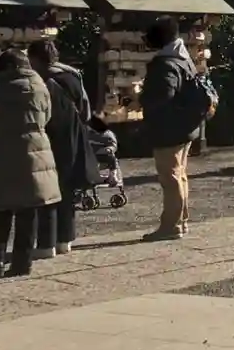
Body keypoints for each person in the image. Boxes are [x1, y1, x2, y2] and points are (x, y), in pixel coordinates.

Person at [0, 50, 60, 278]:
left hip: (2, 153)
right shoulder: (40, 86)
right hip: (36, 151)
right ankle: (22, 263)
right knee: (27, 211)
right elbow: (47, 117)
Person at [28, 40, 96, 257]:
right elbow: (86, 111)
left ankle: (46, 243)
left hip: (47, 140)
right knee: (67, 190)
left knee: (45, 190)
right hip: (73, 138)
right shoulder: (73, 77)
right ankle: (65, 240)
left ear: (34, 59)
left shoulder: (38, 80)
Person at [139, 17, 205, 241]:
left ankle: (171, 225)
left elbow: (163, 95)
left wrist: (141, 97)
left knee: (170, 177)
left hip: (168, 129)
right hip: (185, 126)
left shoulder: (165, 64)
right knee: (180, 175)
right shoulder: (183, 58)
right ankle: (181, 221)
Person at [87, 115, 123, 190]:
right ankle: (96, 178)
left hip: (104, 155)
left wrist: (109, 149)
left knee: (112, 158)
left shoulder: (108, 134)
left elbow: (113, 145)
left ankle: (112, 176)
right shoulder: (88, 134)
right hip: (91, 156)